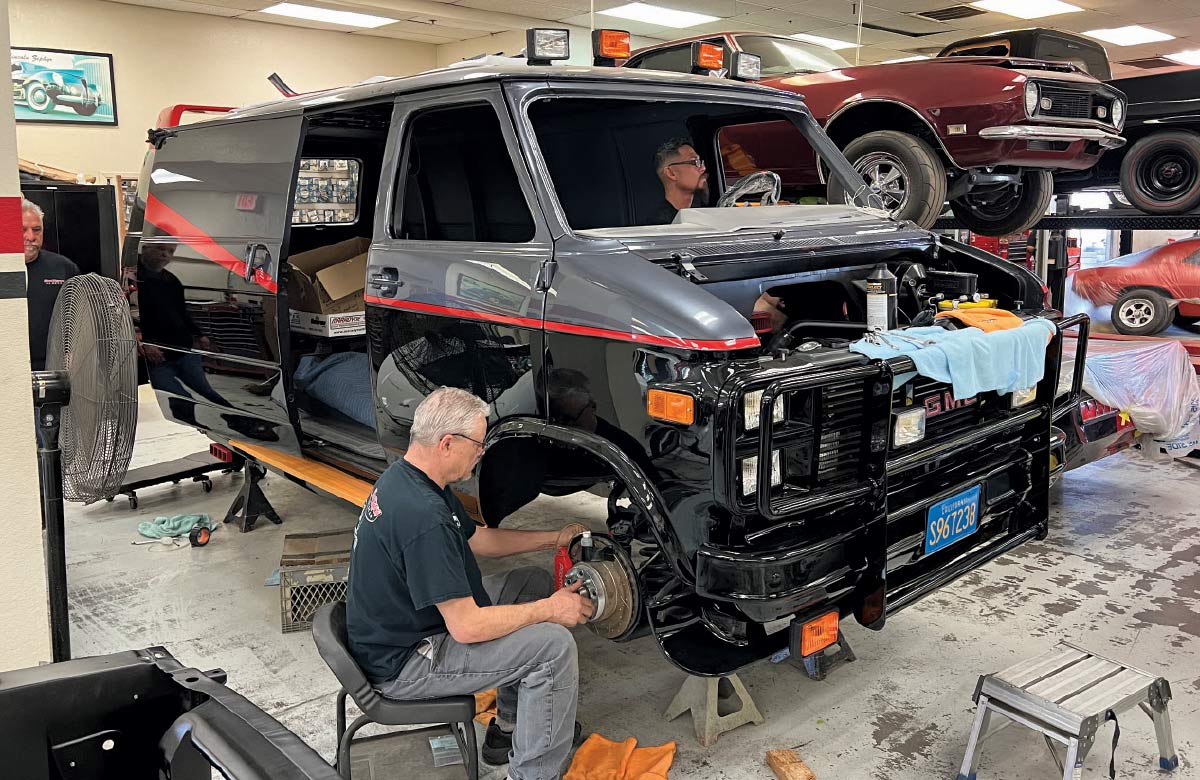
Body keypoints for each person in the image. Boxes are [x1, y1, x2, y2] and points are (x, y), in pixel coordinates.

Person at [346, 387, 593, 780]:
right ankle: (533, 775)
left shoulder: (409, 479)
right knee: (553, 647)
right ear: (447, 443)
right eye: (479, 444)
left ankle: (509, 729)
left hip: (406, 626)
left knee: (530, 582)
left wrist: (554, 537)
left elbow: (479, 540)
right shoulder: (423, 517)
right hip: (404, 662)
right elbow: (466, 627)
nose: (482, 453)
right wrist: (552, 609)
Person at [23, 199, 79, 371]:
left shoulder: (64, 268)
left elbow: (79, 318)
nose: (31, 237)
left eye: (37, 230)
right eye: (22, 230)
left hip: (53, 369)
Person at [649, 137, 710, 225]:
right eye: (694, 162)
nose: (703, 168)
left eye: (700, 162)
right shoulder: (660, 225)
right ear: (671, 173)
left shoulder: (702, 213)